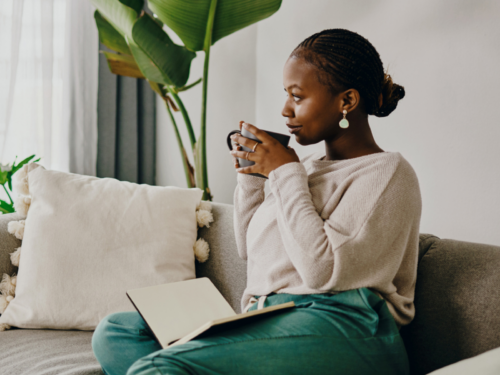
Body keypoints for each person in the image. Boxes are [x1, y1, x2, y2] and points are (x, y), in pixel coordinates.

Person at [92, 28, 421, 375]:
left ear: (347, 102)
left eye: (297, 96)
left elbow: (324, 273)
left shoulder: (387, 172)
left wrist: (285, 173)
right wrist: (252, 179)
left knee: (158, 369)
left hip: (344, 326)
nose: (285, 110)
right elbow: (252, 250)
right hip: (268, 318)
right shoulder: (303, 170)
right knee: (116, 333)